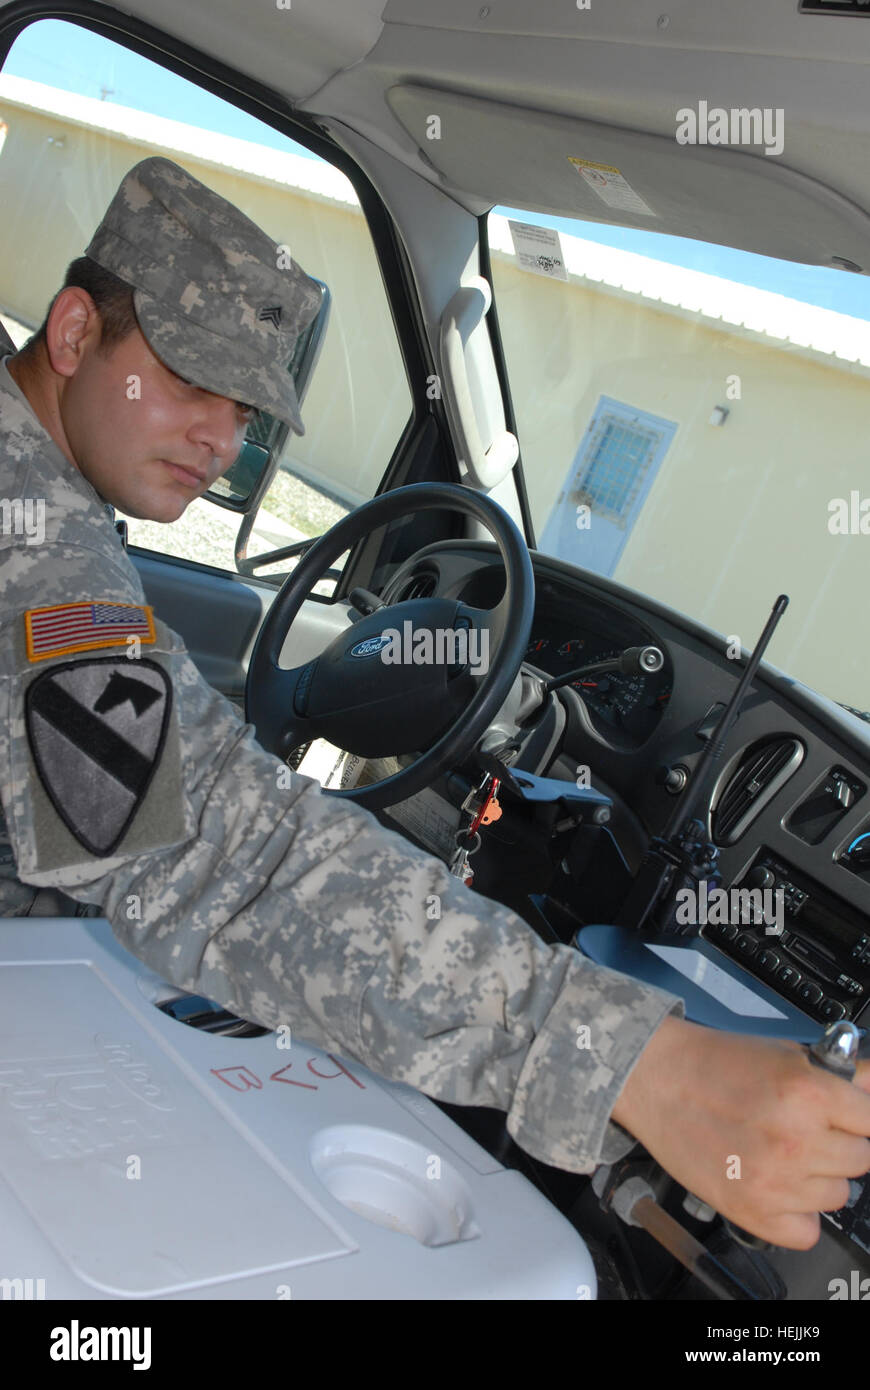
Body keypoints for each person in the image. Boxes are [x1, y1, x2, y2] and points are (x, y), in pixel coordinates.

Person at [0, 156, 867, 1255]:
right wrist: (641, 1064)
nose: (223, 442)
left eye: (248, 411)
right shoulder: (37, 543)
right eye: (188, 379)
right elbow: (204, 852)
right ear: (74, 333)